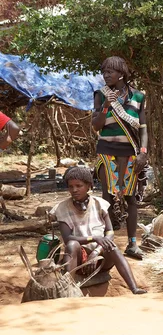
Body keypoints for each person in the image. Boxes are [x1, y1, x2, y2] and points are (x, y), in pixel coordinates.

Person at [50, 167, 146, 294]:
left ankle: (134, 288)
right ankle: (68, 290)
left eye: (79, 186)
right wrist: (94, 238)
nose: (74, 190)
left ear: (89, 186)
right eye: (71, 186)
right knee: (72, 245)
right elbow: (68, 239)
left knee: (112, 247)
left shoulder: (100, 204)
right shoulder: (62, 208)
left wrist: (96, 252)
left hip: (101, 258)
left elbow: (110, 232)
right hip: (79, 259)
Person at [91, 56, 148, 260]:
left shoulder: (138, 97)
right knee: (106, 198)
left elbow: (143, 128)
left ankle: (132, 244)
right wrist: (106, 105)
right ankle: (108, 243)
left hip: (130, 153)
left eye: (110, 72)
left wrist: (143, 152)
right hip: (106, 151)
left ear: (121, 74)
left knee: (130, 199)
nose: (105, 75)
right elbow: (96, 126)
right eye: (104, 71)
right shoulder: (100, 95)